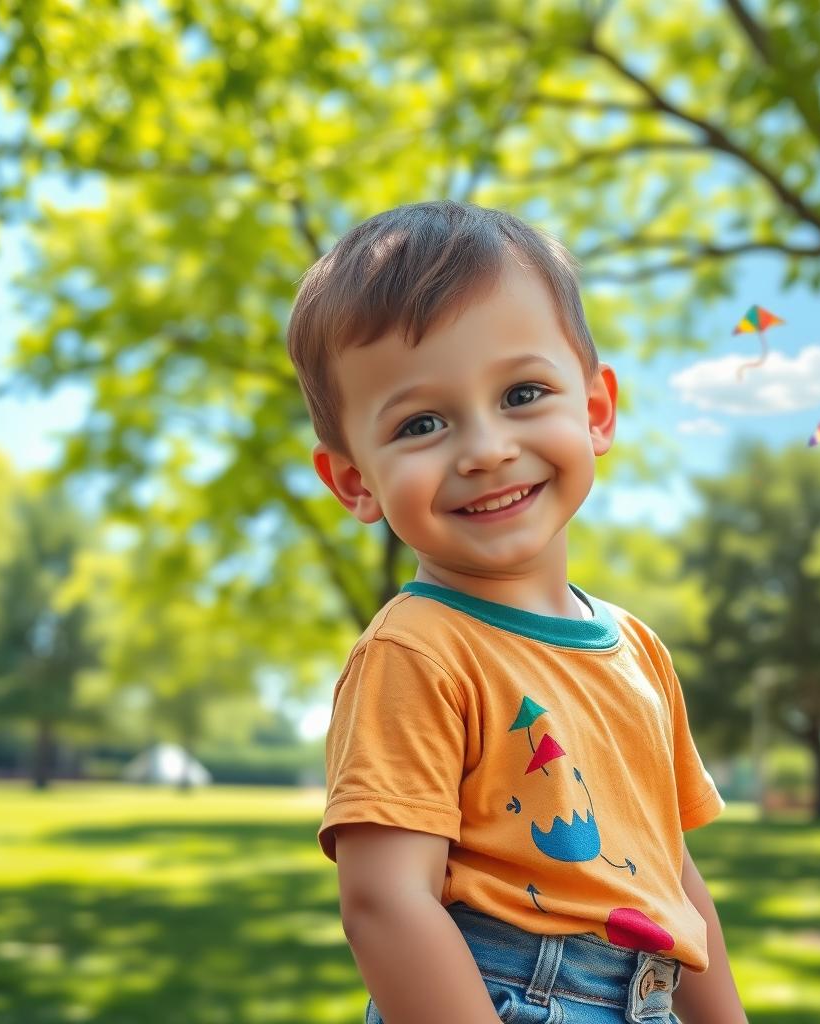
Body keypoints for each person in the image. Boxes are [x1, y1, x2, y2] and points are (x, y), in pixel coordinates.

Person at [286, 200, 748, 1024]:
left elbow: (670, 879)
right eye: (422, 422)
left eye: (523, 392)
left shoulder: (636, 649)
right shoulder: (418, 651)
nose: (486, 448)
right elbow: (387, 902)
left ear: (597, 411)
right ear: (355, 481)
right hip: (507, 997)